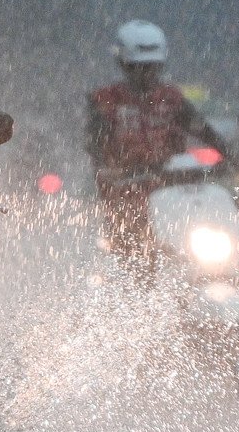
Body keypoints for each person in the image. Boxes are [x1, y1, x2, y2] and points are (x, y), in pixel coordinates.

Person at [85, 20, 223, 268]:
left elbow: (204, 131)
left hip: (173, 196)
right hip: (127, 197)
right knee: (136, 260)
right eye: (139, 67)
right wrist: (111, 168)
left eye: (153, 67)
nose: (147, 74)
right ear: (124, 65)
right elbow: (95, 143)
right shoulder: (105, 101)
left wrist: (235, 159)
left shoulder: (171, 99)